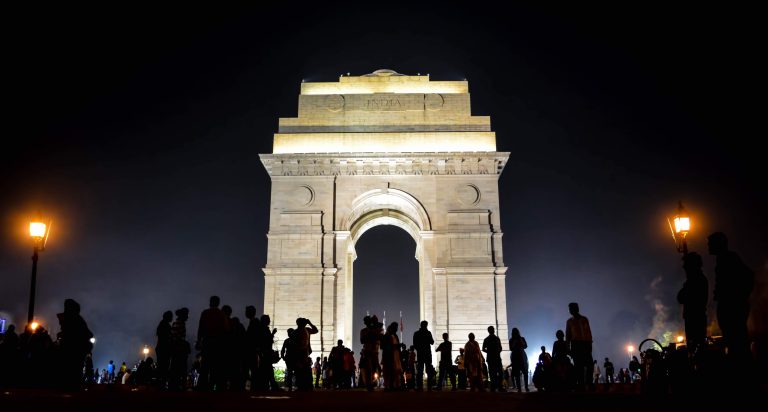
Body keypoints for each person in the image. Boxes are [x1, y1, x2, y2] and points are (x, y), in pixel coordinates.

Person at [708, 232, 754, 366]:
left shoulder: (727, 259)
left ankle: (743, 371)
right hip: (732, 306)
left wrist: (736, 297)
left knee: (736, 341)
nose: (708, 246)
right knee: (736, 340)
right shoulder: (726, 259)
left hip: (732, 308)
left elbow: (747, 277)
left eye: (710, 243)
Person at [56, 298, 93, 390]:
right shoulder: (78, 319)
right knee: (75, 370)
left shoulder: (67, 319)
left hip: (69, 348)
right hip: (76, 349)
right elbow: (89, 334)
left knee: (69, 369)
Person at [676, 252, 709, 355]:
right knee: (697, 347)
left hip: (694, 318)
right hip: (696, 317)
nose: (684, 267)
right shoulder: (699, 279)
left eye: (686, 264)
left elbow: (681, 297)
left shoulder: (694, 281)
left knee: (695, 348)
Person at [566, 302, 593, 390]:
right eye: (570, 309)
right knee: (578, 366)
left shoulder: (584, 319)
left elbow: (588, 332)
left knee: (589, 365)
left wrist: (589, 345)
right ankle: (581, 385)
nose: (571, 311)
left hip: (585, 344)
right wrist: (568, 348)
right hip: (576, 345)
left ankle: (589, 383)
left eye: (572, 308)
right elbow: (568, 335)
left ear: (577, 309)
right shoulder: (569, 322)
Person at [412, 320, 434, 391]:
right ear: (426, 326)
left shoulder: (416, 333)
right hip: (427, 354)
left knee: (420, 371)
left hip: (420, 354)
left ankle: (420, 387)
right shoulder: (428, 333)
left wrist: (419, 349)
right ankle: (429, 387)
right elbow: (432, 342)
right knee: (429, 371)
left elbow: (415, 344)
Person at [381, 322, 402, 391]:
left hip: (395, 355)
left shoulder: (395, 336)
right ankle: (388, 386)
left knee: (395, 371)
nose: (397, 329)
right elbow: (383, 346)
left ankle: (395, 385)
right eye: (395, 327)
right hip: (389, 356)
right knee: (389, 371)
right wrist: (395, 346)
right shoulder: (386, 336)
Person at [155, 310, 173, 388]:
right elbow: (168, 338)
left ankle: (159, 384)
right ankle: (162, 384)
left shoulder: (161, 324)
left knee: (160, 366)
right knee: (164, 367)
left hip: (160, 348)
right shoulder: (167, 326)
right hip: (164, 349)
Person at [483, 326, 504, 392]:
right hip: (496, 357)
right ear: (490, 331)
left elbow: (483, 349)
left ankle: (495, 387)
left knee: (494, 373)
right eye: (492, 329)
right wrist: (496, 352)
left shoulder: (487, 339)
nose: (493, 330)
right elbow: (500, 348)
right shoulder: (497, 339)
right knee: (496, 373)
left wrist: (489, 352)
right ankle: (498, 387)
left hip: (492, 358)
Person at [509, 327, 529, 392]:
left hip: (522, 356)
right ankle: (519, 388)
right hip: (515, 357)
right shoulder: (511, 340)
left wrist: (521, 341)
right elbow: (511, 348)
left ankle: (526, 387)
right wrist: (514, 342)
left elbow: (525, 346)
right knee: (517, 374)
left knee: (525, 372)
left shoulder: (522, 338)